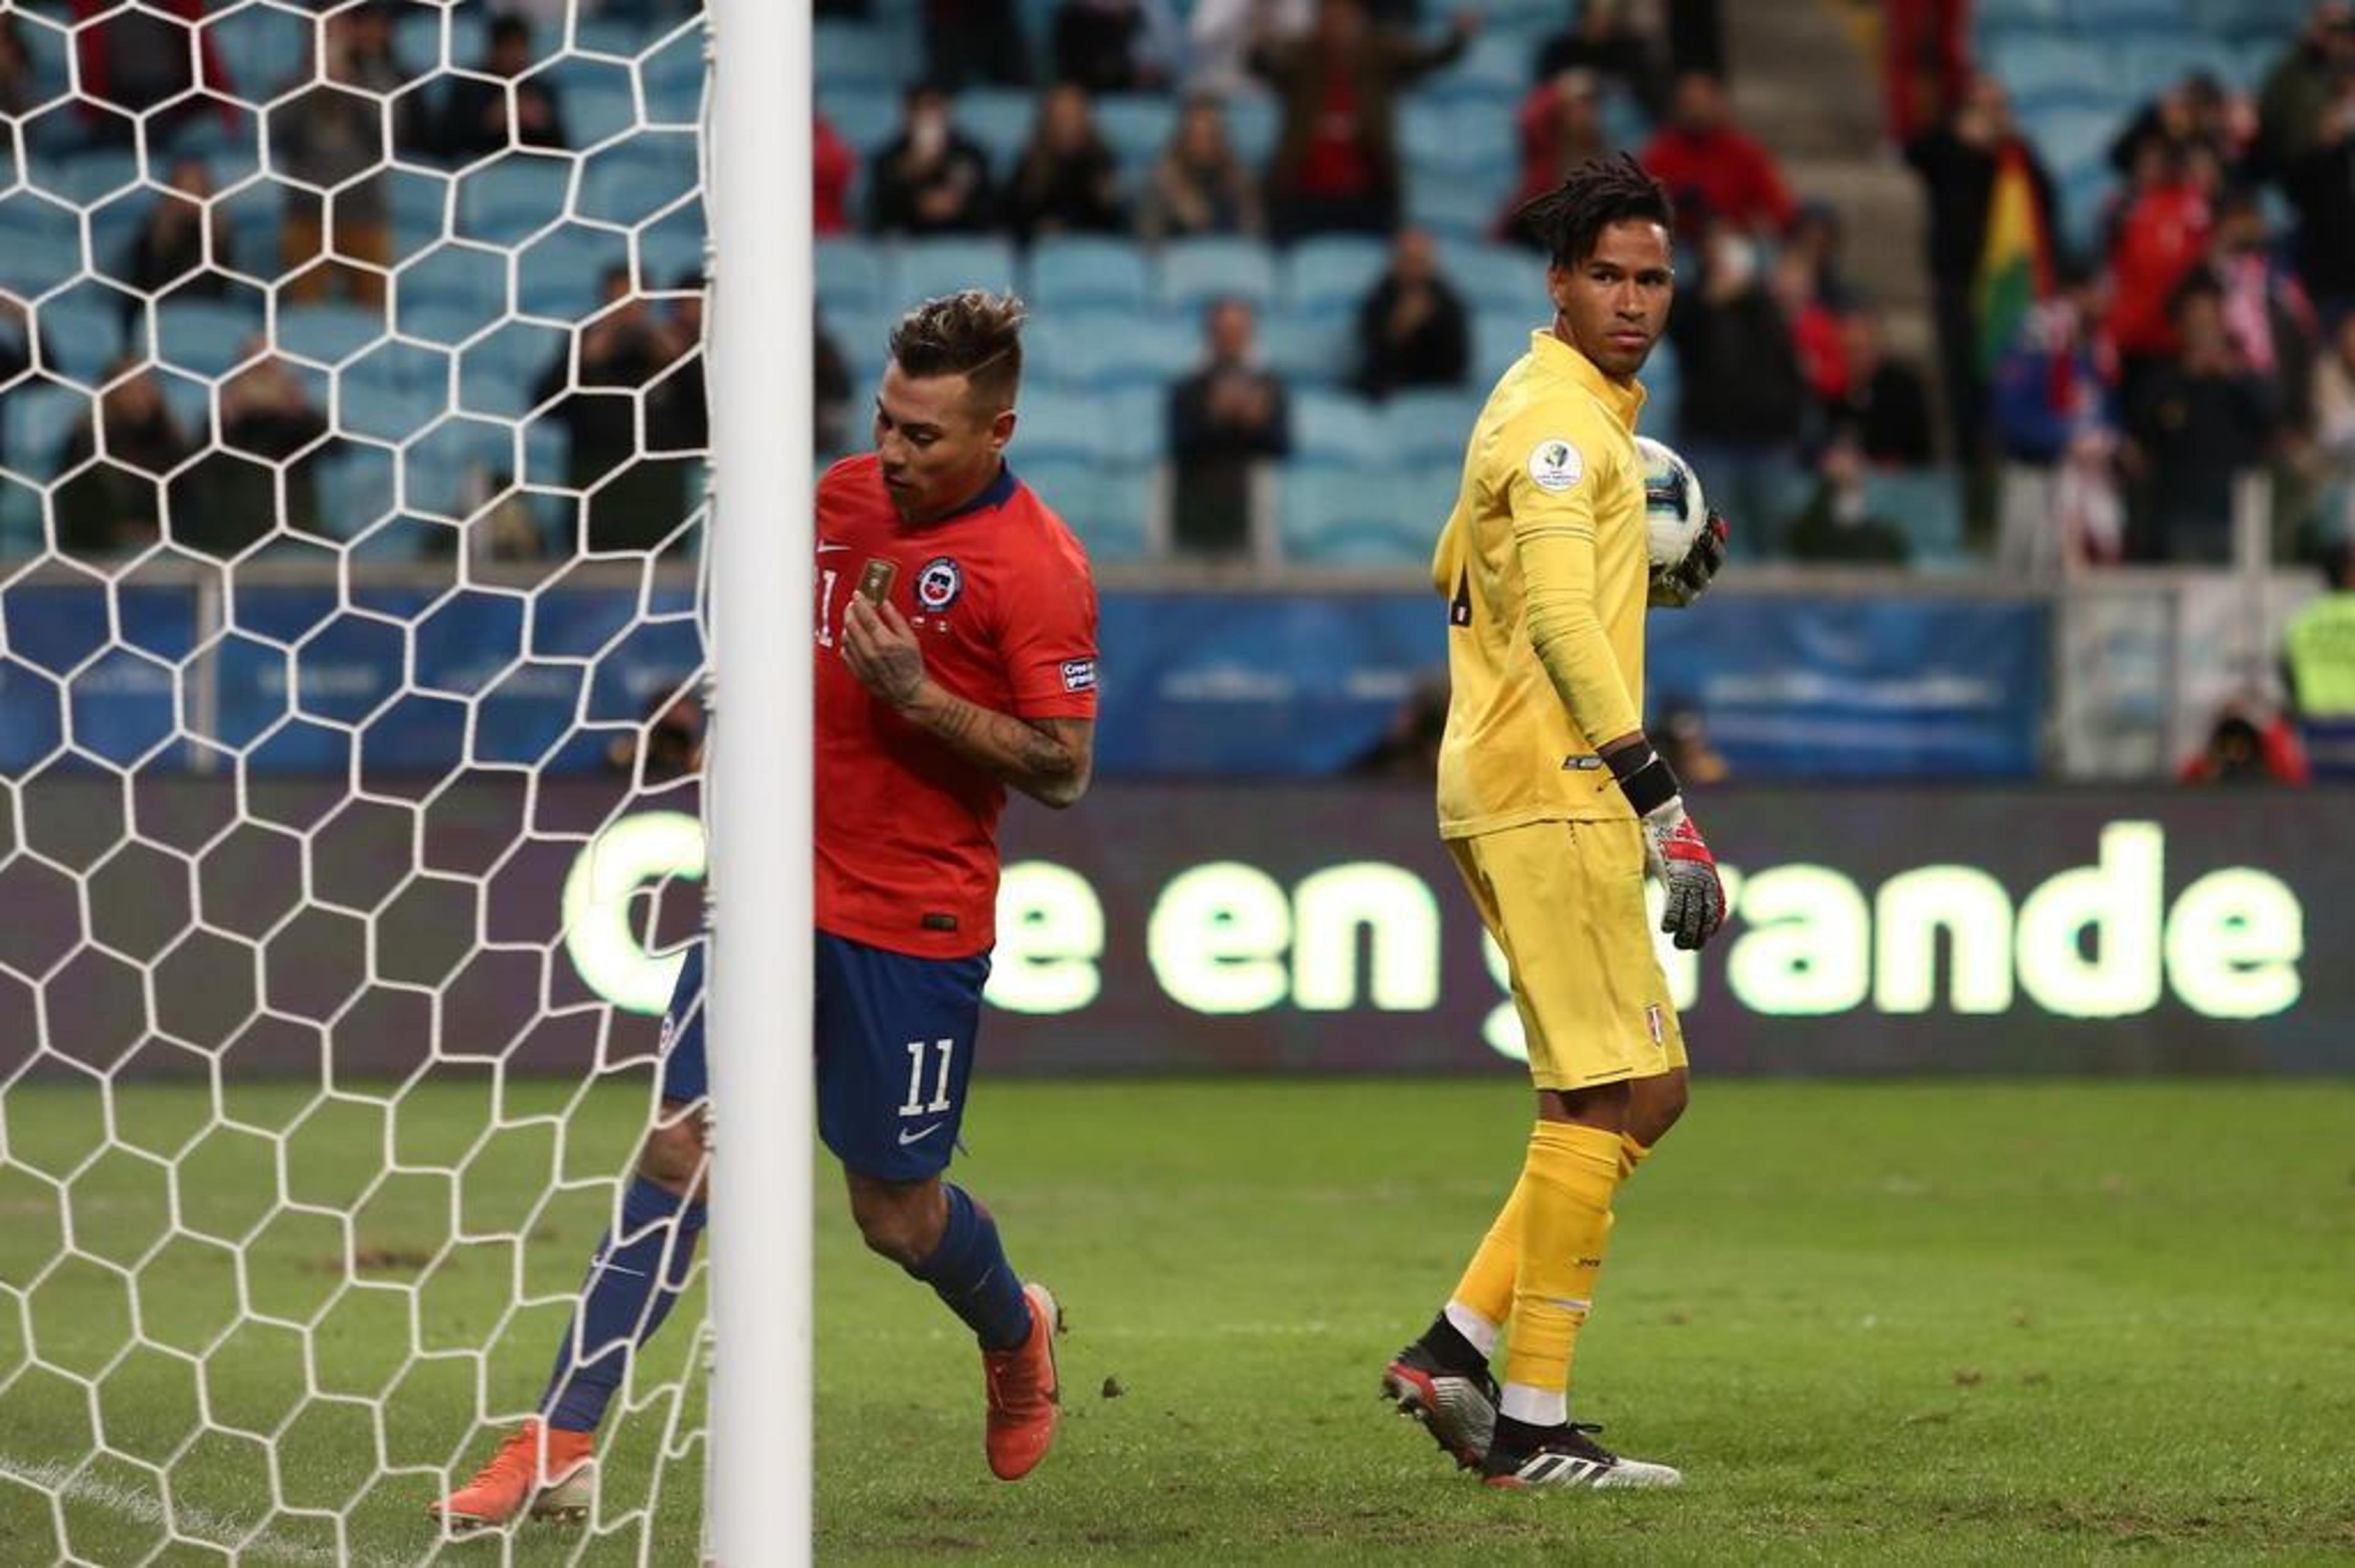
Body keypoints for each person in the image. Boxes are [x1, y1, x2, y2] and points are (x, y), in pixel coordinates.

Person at [431, 290, 1100, 1529]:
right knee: (683, 1151)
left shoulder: (1038, 566)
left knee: (894, 1217)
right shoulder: (836, 498)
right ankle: (563, 1438)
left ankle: (1018, 1331)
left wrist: (918, 698)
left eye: (926, 437)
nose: (892, 455)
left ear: (998, 430)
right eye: (887, 423)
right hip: (768, 892)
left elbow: (1063, 769)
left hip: (915, 921)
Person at [1380, 153, 1728, 1491]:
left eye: (1652, 277)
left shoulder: (1543, 410)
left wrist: (1620, 550)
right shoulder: (1566, 426)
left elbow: (1454, 562)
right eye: (1608, 276)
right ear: (1560, 284)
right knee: (1603, 1092)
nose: (1635, 299)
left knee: (1647, 1088)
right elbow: (1566, 618)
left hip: (1516, 782)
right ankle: (1530, 1425)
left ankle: (1458, 1346)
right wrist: (1659, 794)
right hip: (1558, 791)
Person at [1249, 0, 1478, 241]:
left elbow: (1428, 59)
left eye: (1344, 15)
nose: (1337, 23)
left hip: (1367, 193)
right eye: (1331, 15)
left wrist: (1458, 39)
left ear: (1359, 18)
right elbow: (1264, 67)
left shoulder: (1381, 53)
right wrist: (1260, 46)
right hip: (1303, 193)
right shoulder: (1301, 56)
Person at [1166, 296, 1290, 556]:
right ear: (1211, 335)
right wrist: (1214, 417)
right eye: (1224, 332)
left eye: (1238, 332)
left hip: (1258, 512)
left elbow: (1282, 446)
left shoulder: (1270, 386)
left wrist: (1255, 423)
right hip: (1198, 506)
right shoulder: (1188, 388)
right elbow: (1179, 446)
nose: (1231, 339)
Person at [1637, 70, 1793, 243]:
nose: (1696, 112)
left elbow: (1779, 207)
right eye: (1689, 104)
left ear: (1718, 103)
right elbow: (1642, 209)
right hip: (1680, 243)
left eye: (1702, 103)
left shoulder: (1744, 151)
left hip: (1735, 239)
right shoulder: (1661, 151)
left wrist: (1743, 228)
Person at [867, 83, 998, 237]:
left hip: (962, 243)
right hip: (910, 245)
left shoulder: (973, 155)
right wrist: (914, 172)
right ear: (908, 116)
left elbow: (989, 212)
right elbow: (879, 217)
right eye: (922, 110)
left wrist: (958, 202)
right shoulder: (887, 159)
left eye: (937, 109)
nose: (930, 118)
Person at [1354, 226, 1471, 398]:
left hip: (1438, 389)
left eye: (1420, 261)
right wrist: (1399, 327)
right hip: (1386, 388)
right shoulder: (1379, 297)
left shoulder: (1448, 302)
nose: (1413, 268)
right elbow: (1369, 352)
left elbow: (1459, 360)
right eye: (1408, 260)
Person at [432, 15, 567, 161]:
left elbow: (561, 151)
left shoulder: (541, 88)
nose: (514, 54)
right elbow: (444, 148)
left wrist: (542, 124)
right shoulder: (468, 86)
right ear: (493, 48)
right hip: (480, 172)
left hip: (533, 174)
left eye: (520, 46)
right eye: (508, 46)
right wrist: (489, 123)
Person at [1499, 69, 1612, 243]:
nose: (1586, 113)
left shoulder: (1608, 157)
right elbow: (1529, 119)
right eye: (1578, 105)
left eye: (1591, 105)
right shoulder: (1544, 149)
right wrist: (1560, 90)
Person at [1006, 82, 1127, 243]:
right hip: (1037, 249)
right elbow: (1011, 216)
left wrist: (1068, 228)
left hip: (1088, 250)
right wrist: (1037, 230)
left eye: (1074, 114)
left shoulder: (1101, 161)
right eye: (1061, 115)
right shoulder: (1031, 161)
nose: (1068, 122)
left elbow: (1111, 221)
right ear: (1048, 118)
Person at [117, 159, 239, 317]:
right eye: (184, 186)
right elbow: (139, 293)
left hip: (211, 318)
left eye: (195, 186)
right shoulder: (150, 236)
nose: (190, 193)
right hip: (161, 317)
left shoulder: (220, 236)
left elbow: (225, 289)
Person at [1138, 94, 1265, 242]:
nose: (1206, 145)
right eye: (1198, 136)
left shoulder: (1241, 181)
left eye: (1213, 136)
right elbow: (1148, 245)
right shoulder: (1161, 182)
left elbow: (1254, 241)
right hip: (1177, 260)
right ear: (1183, 139)